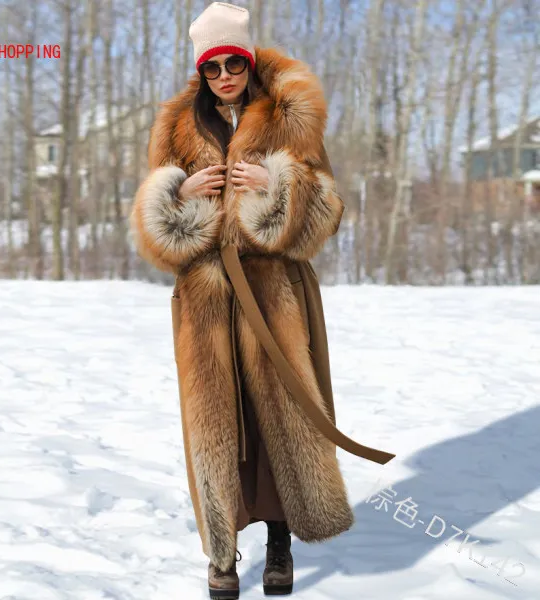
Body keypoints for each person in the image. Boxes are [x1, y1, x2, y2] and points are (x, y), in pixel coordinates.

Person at [130, 2, 394, 598]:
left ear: (249, 61)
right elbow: (157, 237)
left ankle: (279, 544)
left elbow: (331, 211)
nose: (224, 75)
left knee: (281, 420)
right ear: (201, 73)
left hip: (273, 295)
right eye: (211, 68)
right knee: (217, 430)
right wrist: (179, 193)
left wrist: (281, 188)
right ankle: (222, 556)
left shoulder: (289, 117)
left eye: (233, 63)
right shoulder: (175, 126)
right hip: (204, 305)